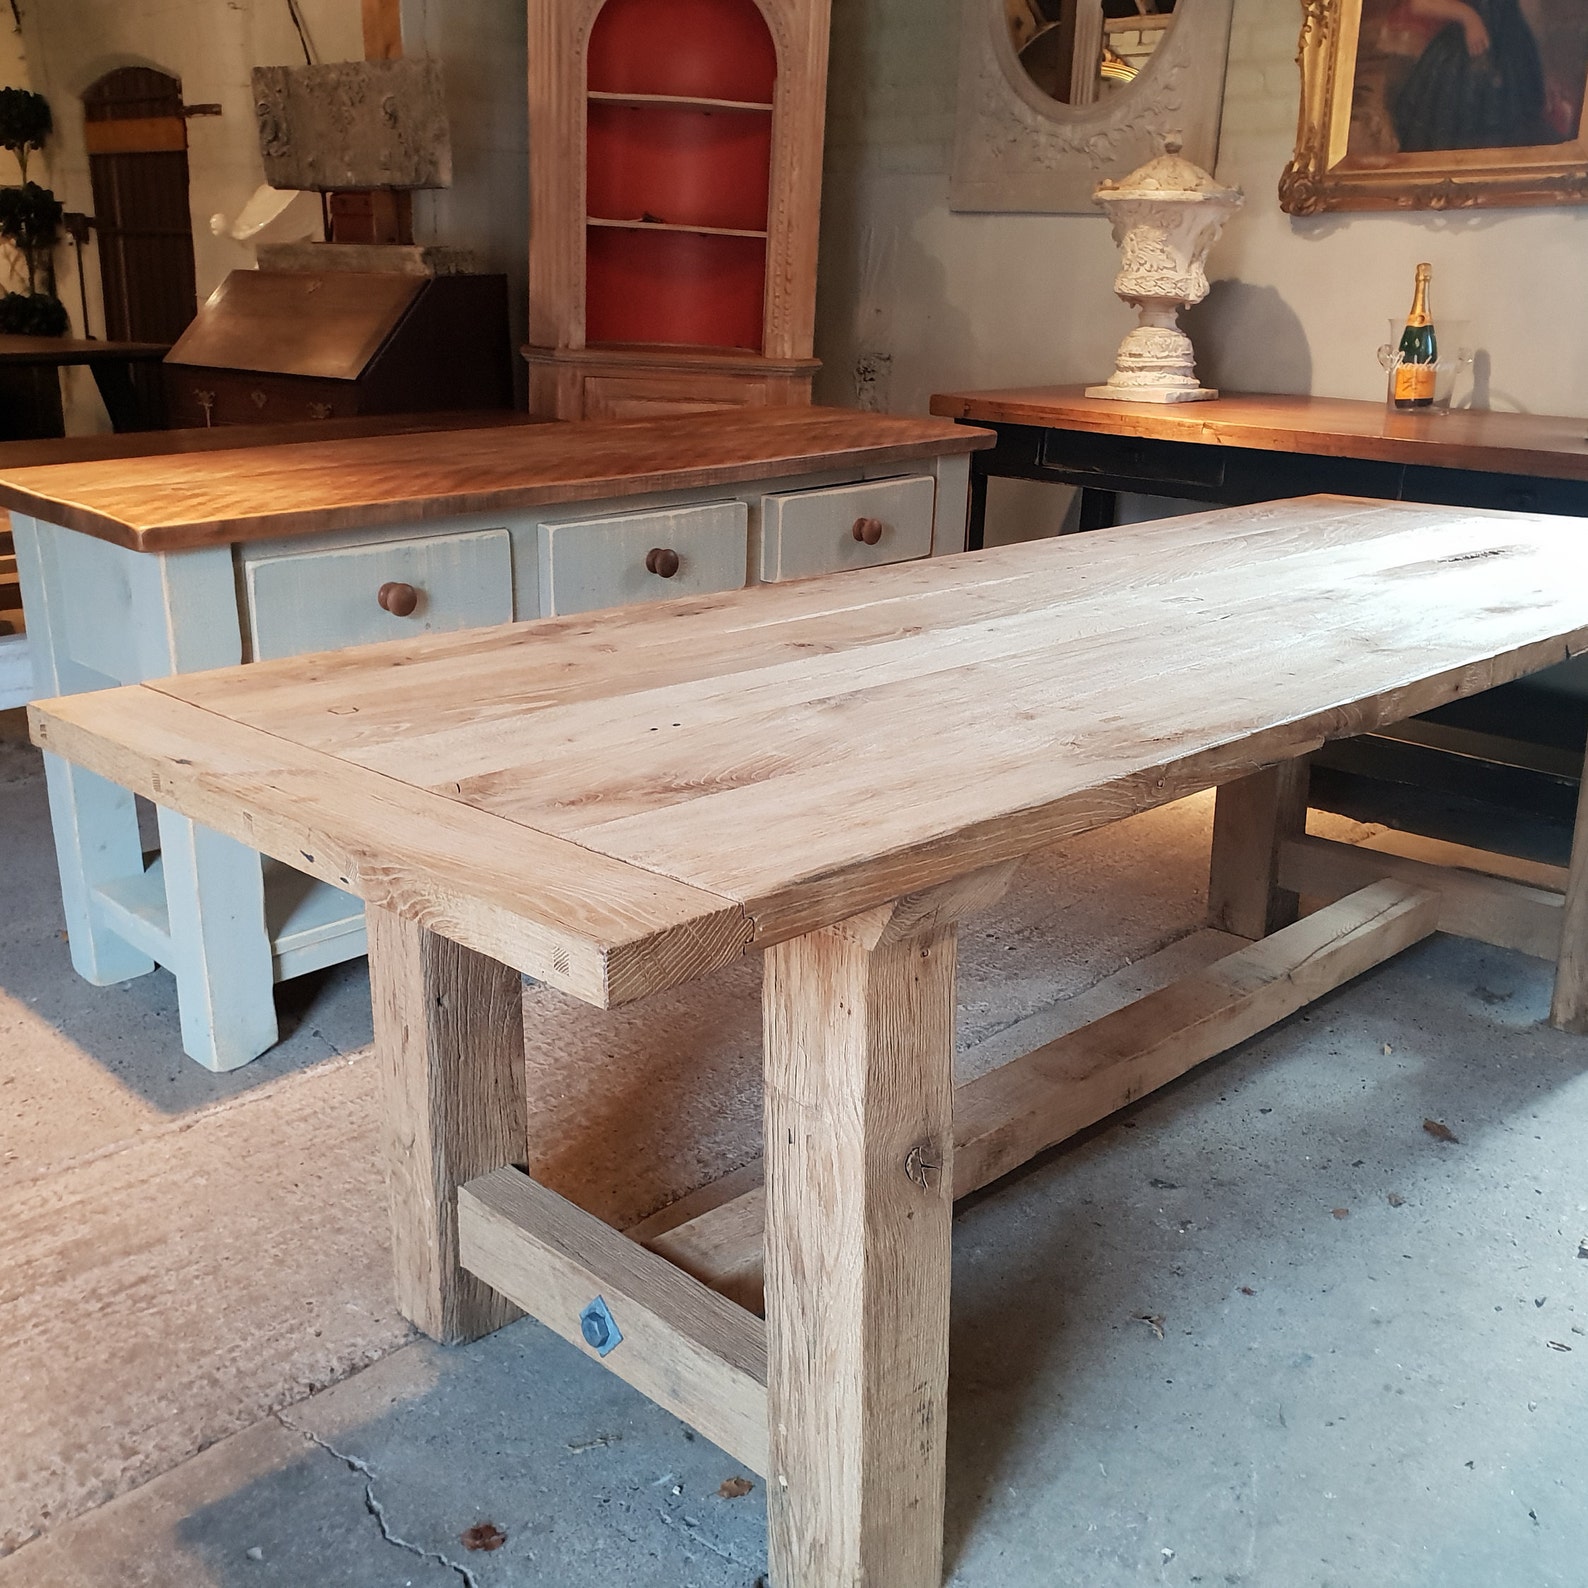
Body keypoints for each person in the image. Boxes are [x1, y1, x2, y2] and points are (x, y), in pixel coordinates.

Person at [1391, 0, 1562, 151]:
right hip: (1462, 59)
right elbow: (1420, 4)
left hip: (1515, 57)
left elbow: (1527, 7)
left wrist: (1544, 69)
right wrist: (1468, 16)